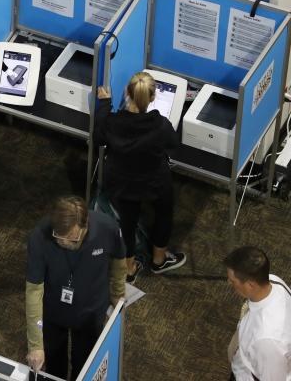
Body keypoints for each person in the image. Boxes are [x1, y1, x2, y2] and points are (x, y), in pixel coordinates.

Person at [93, 72, 186, 284]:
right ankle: (159, 260)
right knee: (164, 211)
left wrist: (105, 104)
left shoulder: (113, 122)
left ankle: (129, 267)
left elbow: (99, 137)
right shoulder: (160, 125)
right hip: (154, 182)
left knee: (127, 221)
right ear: (152, 98)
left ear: (127, 93)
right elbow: (173, 146)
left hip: (122, 182)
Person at [25, 195, 125, 380]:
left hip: (91, 313)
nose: (64, 242)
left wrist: (118, 294)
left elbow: (119, 261)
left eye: (72, 238)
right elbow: (33, 292)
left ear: (85, 226)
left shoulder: (107, 228)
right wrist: (35, 345)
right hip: (53, 313)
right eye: (59, 237)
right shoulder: (39, 237)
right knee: (53, 366)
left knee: (85, 366)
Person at [225, 246, 291, 381]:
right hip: (247, 358)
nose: (228, 282)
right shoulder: (273, 281)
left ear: (250, 284)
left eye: (233, 281)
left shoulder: (265, 341)